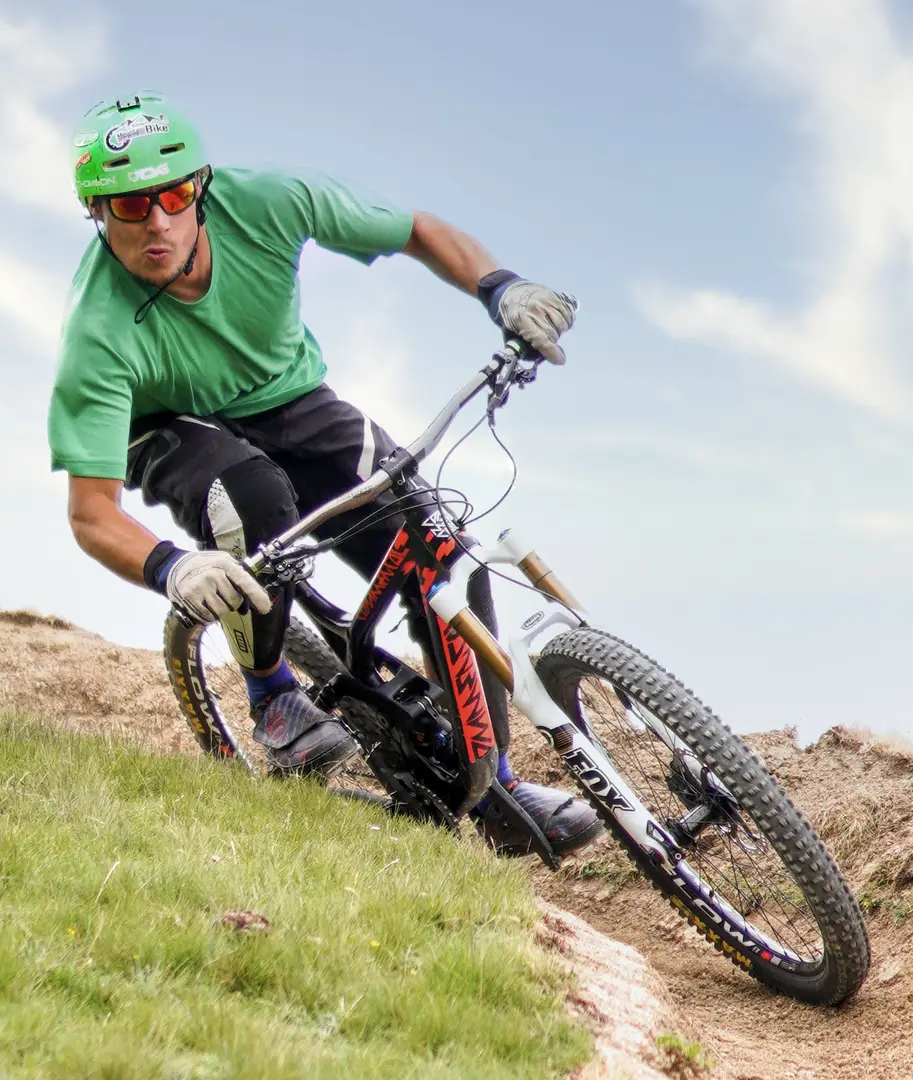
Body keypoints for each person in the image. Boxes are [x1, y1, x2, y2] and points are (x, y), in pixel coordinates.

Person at [48, 93, 599, 859]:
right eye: (130, 205)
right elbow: (89, 512)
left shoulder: (273, 202)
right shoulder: (98, 335)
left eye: (174, 195)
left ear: (201, 185)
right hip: (171, 425)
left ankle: (496, 784)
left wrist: (501, 287)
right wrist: (174, 569)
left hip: (292, 401)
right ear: (96, 212)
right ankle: (273, 694)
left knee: (441, 549)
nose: (158, 222)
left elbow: (416, 231)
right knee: (253, 499)